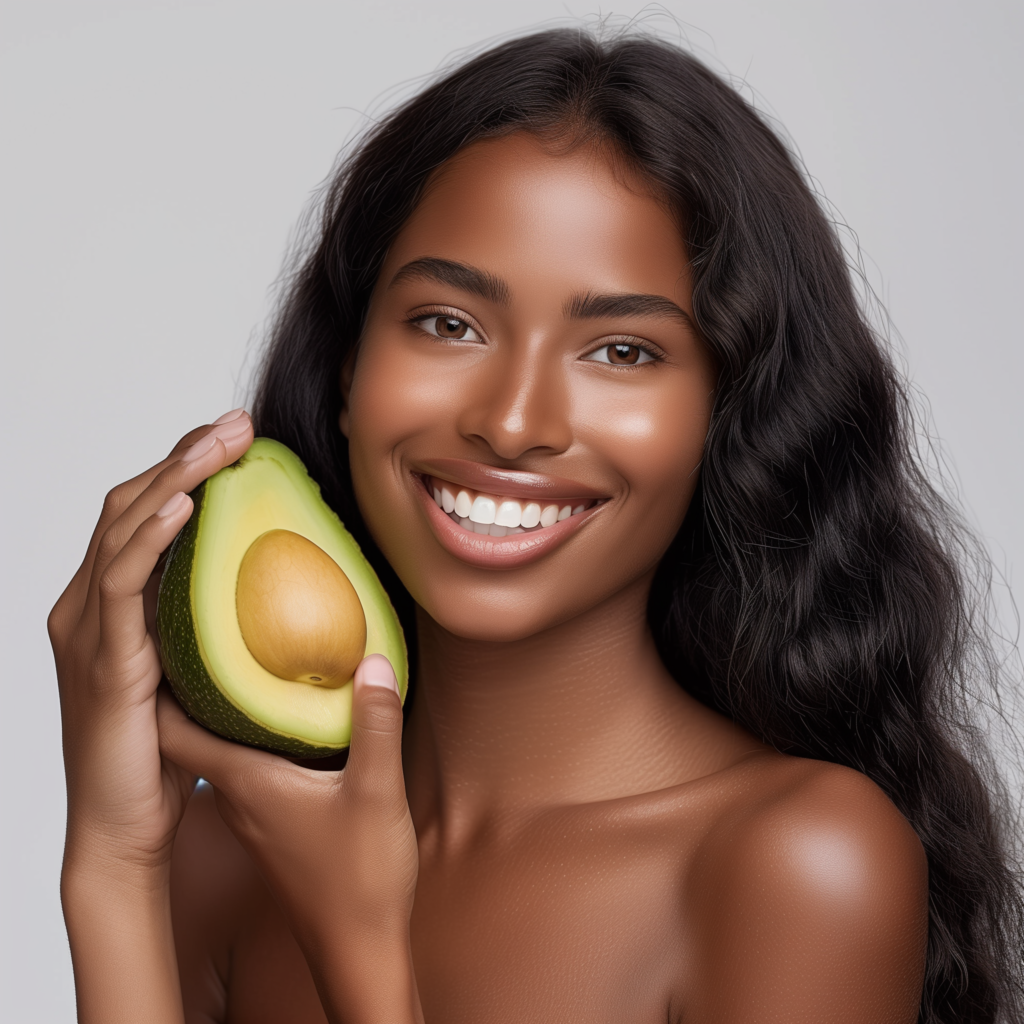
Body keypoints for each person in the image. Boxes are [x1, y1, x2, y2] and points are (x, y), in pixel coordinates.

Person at [48, 27, 1024, 1024]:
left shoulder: (800, 865)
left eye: (620, 350)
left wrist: (361, 948)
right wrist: (115, 862)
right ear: (349, 369)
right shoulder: (229, 850)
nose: (513, 421)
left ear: (722, 415)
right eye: (448, 324)